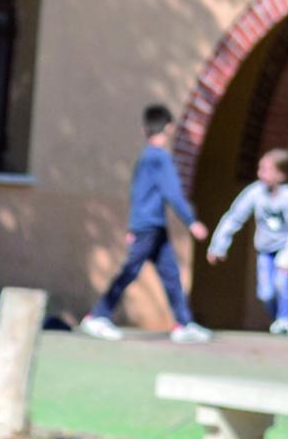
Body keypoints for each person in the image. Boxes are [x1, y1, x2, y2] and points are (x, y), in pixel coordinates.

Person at [80, 105, 212, 344]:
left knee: (170, 273)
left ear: (145, 129)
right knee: (131, 269)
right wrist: (192, 222)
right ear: (169, 128)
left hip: (152, 226)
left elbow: (139, 194)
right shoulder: (160, 158)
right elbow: (172, 192)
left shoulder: (145, 158)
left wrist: (133, 225)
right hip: (148, 227)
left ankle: (183, 323)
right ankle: (97, 316)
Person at [205, 148, 288, 335]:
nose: (261, 174)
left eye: (267, 169)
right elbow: (234, 217)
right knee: (265, 293)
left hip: (285, 249)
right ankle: (276, 320)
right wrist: (218, 246)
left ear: (281, 174)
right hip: (265, 250)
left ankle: (286, 320)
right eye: (260, 169)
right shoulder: (255, 192)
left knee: (281, 282)